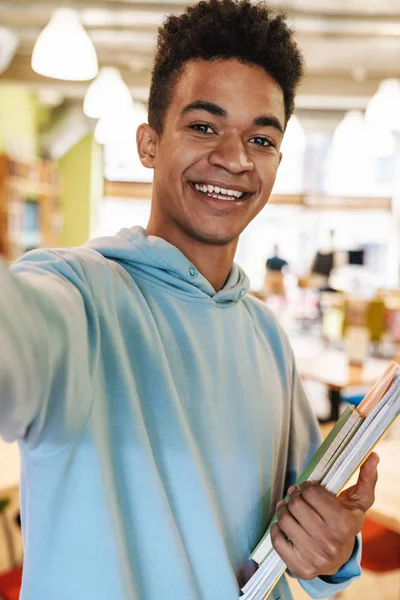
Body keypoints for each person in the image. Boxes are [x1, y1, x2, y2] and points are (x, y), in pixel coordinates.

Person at [0, 2, 378, 599]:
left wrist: (336, 547)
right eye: (204, 126)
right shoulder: (77, 297)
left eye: (261, 138)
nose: (234, 158)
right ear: (149, 144)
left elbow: (311, 524)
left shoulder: (266, 336)